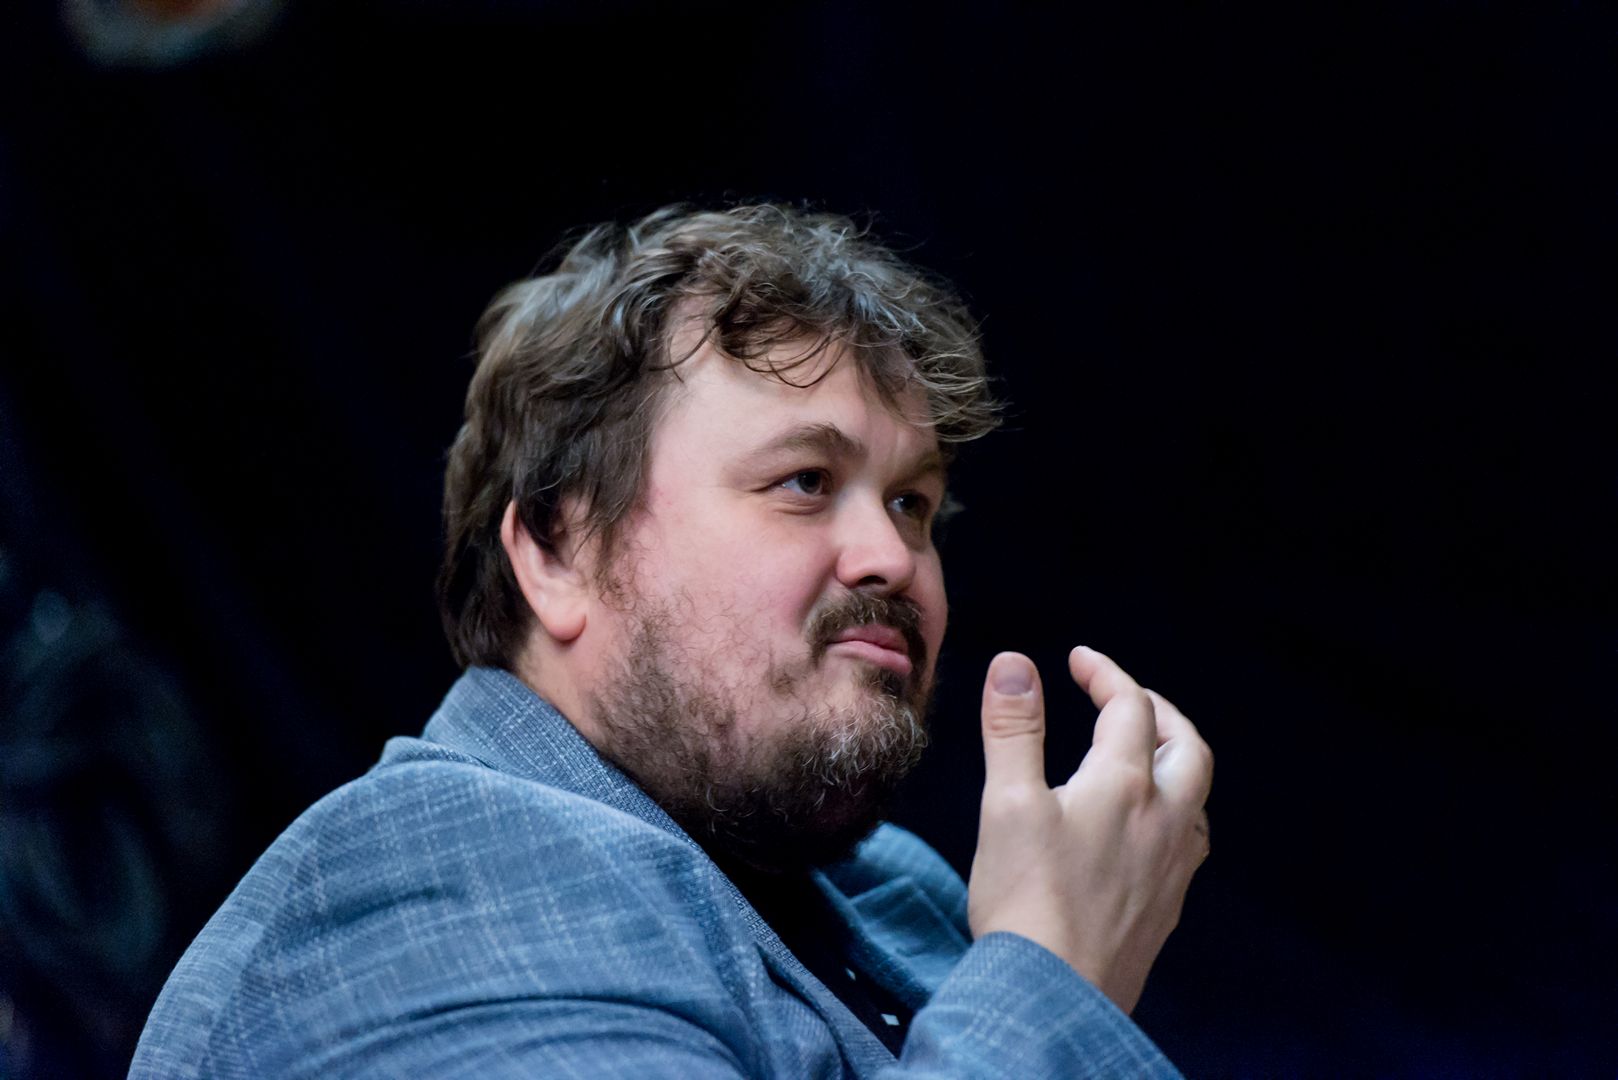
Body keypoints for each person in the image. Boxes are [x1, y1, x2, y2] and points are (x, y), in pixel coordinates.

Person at [130, 204, 1213, 1078]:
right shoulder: (431, 877)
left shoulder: (896, 891)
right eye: (805, 481)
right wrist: (1050, 973)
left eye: (912, 503)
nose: (892, 555)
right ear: (558, 550)